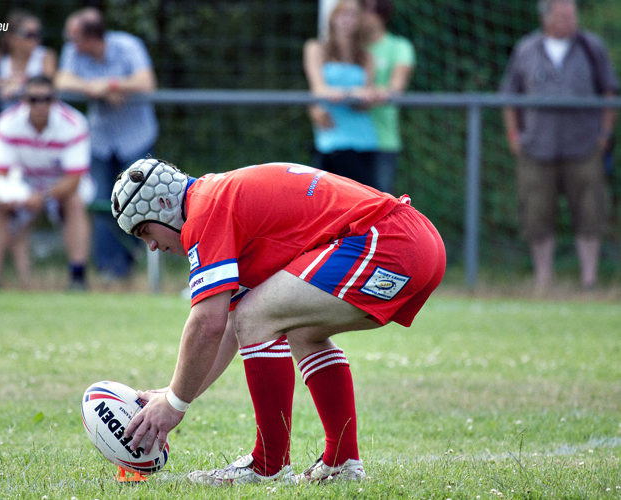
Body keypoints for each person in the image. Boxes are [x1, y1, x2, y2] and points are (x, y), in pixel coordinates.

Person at [111, 159, 446, 485]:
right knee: (295, 328)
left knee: (257, 316)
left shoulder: (205, 211)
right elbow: (227, 328)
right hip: (412, 240)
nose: (152, 246)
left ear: (165, 203)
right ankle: (341, 462)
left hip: (389, 242)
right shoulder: (217, 199)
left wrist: (175, 405)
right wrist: (174, 394)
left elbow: (206, 323)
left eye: (145, 231)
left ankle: (268, 465)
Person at [500, 0, 618, 291]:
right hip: (537, 148)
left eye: (573, 15)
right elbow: (508, 96)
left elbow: (609, 92)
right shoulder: (526, 49)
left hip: (583, 146)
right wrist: (515, 136)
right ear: (546, 18)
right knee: (536, 213)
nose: (570, 21)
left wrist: (604, 134)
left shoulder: (592, 48)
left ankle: (588, 280)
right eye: (564, 16)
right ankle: (544, 281)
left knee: (591, 211)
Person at [56, 12, 158, 281]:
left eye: (75, 37)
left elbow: (146, 82)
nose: (70, 43)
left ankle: (135, 265)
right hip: (100, 140)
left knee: (138, 201)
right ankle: (108, 271)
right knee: (103, 202)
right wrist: (93, 87)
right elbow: (61, 80)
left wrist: (112, 83)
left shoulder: (128, 46)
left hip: (135, 138)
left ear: (90, 38)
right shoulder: (73, 51)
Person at [0, 75, 91, 290]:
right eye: (34, 99)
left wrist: (43, 196)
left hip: (60, 185)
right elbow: (0, 173)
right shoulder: (6, 122)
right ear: (24, 100)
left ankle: (77, 276)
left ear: (55, 100)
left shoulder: (74, 123)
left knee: (75, 203)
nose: (41, 105)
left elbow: (74, 178)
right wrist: (22, 196)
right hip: (21, 184)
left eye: (46, 99)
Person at [304, 0, 379, 186]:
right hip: (332, 139)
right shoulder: (316, 48)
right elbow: (319, 89)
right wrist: (352, 92)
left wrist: (369, 96)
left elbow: (365, 102)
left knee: (369, 202)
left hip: (364, 140)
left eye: (353, 15)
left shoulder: (366, 56)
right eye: (343, 14)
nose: (347, 20)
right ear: (332, 17)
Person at [361, 0, 416, 194]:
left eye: (366, 10)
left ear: (380, 14)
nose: (361, 14)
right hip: (346, 141)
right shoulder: (350, 48)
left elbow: (396, 87)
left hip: (383, 140)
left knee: (379, 205)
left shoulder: (399, 47)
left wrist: (369, 94)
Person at [0, 10, 57, 108]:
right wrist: (5, 82)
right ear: (11, 36)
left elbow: (50, 82)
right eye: (29, 35)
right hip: (6, 116)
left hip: (36, 117)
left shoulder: (45, 56)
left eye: (37, 34)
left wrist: (21, 85)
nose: (35, 40)